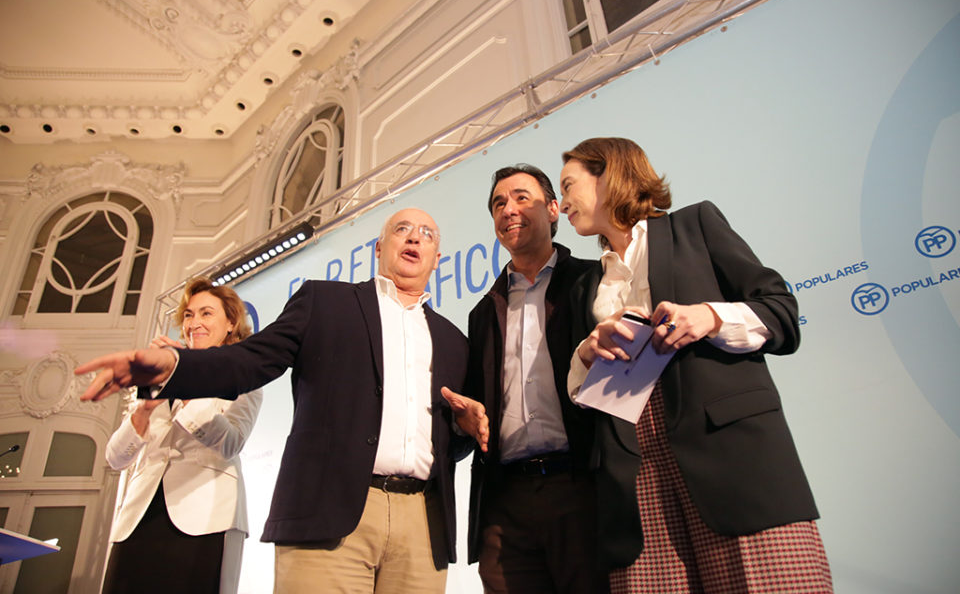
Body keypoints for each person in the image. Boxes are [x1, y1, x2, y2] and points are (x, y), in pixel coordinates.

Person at [77, 208, 486, 594]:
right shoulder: (324, 302)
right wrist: (173, 365)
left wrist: (463, 430)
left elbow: (450, 441)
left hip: (422, 525)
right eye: (401, 229)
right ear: (379, 248)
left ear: (437, 259)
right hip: (326, 514)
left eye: (426, 234)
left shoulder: (454, 341)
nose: (414, 237)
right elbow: (248, 360)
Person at [558, 137, 832, 593]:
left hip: (731, 462)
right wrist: (587, 351)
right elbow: (579, 398)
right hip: (635, 479)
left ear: (607, 174)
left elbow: (781, 312)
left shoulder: (695, 225)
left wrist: (709, 317)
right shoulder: (585, 285)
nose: (563, 203)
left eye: (569, 185)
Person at [446, 165, 604, 593]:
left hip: (583, 488)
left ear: (553, 210)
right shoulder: (483, 311)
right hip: (505, 502)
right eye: (499, 203)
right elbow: (478, 405)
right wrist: (465, 419)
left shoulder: (594, 280)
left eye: (521, 198)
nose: (508, 210)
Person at [101, 277, 263, 594]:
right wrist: (145, 407)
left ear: (231, 323)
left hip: (206, 518)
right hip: (139, 517)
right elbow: (115, 458)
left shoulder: (244, 375)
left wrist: (186, 379)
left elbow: (231, 443)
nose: (194, 323)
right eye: (188, 315)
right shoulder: (158, 373)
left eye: (206, 313)